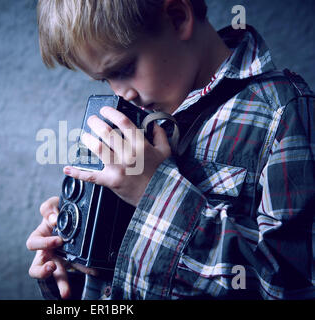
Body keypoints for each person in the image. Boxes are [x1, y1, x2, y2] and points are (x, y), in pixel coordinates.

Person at [26, 0, 315, 299]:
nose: (121, 93)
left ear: (178, 17)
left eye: (124, 68)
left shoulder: (283, 114)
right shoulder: (134, 120)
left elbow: (290, 288)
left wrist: (157, 194)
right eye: (104, 79)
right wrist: (75, 268)